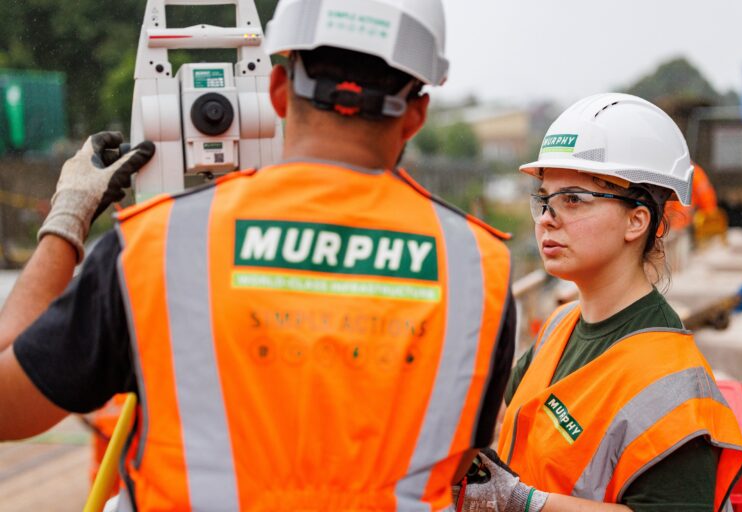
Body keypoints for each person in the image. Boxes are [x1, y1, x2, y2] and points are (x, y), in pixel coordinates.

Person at [0, 0, 517, 510]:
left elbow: (8, 407)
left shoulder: (155, 249)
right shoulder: (478, 269)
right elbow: (457, 457)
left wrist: (67, 217)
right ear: (417, 115)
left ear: (276, 90)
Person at [458, 93, 742, 512]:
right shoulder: (560, 326)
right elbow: (505, 427)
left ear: (637, 220)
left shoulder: (673, 389)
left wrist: (525, 503)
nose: (546, 218)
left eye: (573, 198)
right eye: (544, 198)